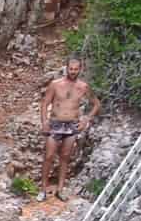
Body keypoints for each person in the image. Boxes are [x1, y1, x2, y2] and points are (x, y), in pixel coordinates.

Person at [37, 59, 100, 201]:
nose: (73, 71)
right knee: (49, 156)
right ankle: (43, 190)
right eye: (71, 69)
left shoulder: (83, 87)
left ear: (80, 69)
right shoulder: (55, 84)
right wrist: (44, 121)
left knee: (65, 157)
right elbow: (45, 103)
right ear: (66, 68)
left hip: (71, 125)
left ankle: (60, 189)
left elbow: (96, 104)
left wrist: (86, 119)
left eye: (76, 69)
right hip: (55, 123)